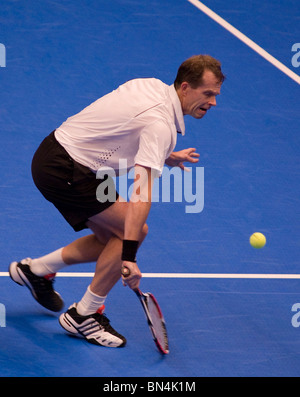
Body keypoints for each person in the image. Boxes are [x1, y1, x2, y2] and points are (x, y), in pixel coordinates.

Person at [9, 55, 225, 348]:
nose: (213, 102)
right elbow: (141, 194)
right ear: (186, 87)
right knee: (131, 233)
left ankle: (34, 270)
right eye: (208, 94)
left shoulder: (151, 86)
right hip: (68, 170)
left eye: (216, 95)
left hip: (60, 153)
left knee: (110, 238)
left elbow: (123, 127)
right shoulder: (160, 124)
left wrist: (167, 155)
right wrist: (129, 258)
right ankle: (84, 314)